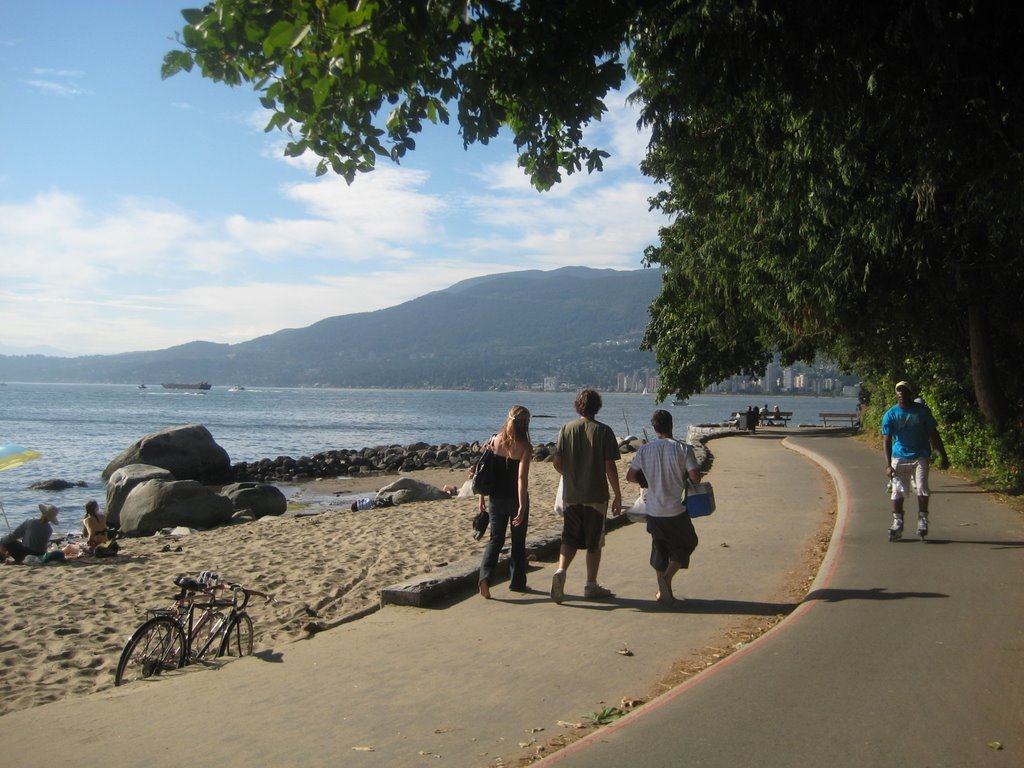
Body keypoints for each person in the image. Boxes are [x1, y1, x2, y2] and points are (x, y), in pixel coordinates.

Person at [550, 389, 623, 603]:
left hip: (571, 495)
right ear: (597, 407)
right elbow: (609, 466)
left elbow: (557, 462)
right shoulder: (604, 431)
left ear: (578, 405)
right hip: (595, 494)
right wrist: (617, 495)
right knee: (594, 542)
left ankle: (561, 570)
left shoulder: (566, 429)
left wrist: (570, 475)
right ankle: (591, 584)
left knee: (569, 537)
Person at [626, 410, 702, 604]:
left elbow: (630, 476)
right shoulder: (683, 449)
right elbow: (695, 477)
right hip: (676, 508)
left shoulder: (645, 450)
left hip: (653, 509)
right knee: (687, 542)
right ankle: (666, 580)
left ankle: (663, 592)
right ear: (671, 425)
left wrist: (647, 482)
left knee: (660, 549)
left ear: (654, 428)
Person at [882, 380, 949, 541]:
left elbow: (933, 433)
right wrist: (888, 465)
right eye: (898, 392)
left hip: (920, 455)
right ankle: (897, 522)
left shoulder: (922, 411)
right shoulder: (891, 414)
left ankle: (922, 519)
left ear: (910, 394)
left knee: (922, 488)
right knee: (897, 490)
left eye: (904, 392)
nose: (901, 395)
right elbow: (887, 440)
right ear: (896, 395)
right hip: (899, 456)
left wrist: (943, 455)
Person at [477, 405, 533, 598]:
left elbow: (484, 471)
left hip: (495, 498)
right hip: (514, 499)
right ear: (525, 424)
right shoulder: (525, 446)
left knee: (496, 539)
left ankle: (485, 577)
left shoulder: (494, 440)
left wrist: (481, 497)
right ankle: (517, 583)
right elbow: (521, 479)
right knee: (518, 542)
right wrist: (522, 505)